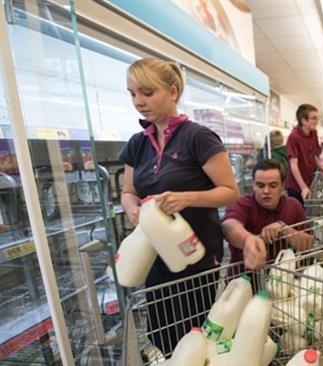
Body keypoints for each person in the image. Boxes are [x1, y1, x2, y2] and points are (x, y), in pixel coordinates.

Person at [119, 58, 239, 353]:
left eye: (147, 92)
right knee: (162, 335)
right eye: (132, 93)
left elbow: (230, 191)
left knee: (196, 337)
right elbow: (128, 191)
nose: (138, 101)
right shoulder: (138, 143)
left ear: (173, 92)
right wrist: (132, 208)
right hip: (154, 256)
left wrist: (186, 198)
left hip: (194, 258)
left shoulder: (198, 138)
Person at [222, 159, 314, 272]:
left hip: (282, 282)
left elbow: (308, 244)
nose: (266, 191)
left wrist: (284, 229)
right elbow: (229, 225)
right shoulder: (243, 204)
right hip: (244, 280)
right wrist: (247, 239)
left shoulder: (293, 205)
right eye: (260, 185)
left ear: (283, 186)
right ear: (253, 185)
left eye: (273, 185)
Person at [285, 104, 323, 205]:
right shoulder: (294, 137)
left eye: (317, 118)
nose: (316, 121)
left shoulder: (313, 133)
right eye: (313, 118)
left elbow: (314, 157)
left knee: (308, 212)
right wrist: (303, 187)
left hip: (309, 181)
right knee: (299, 214)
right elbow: (293, 164)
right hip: (296, 185)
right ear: (303, 121)